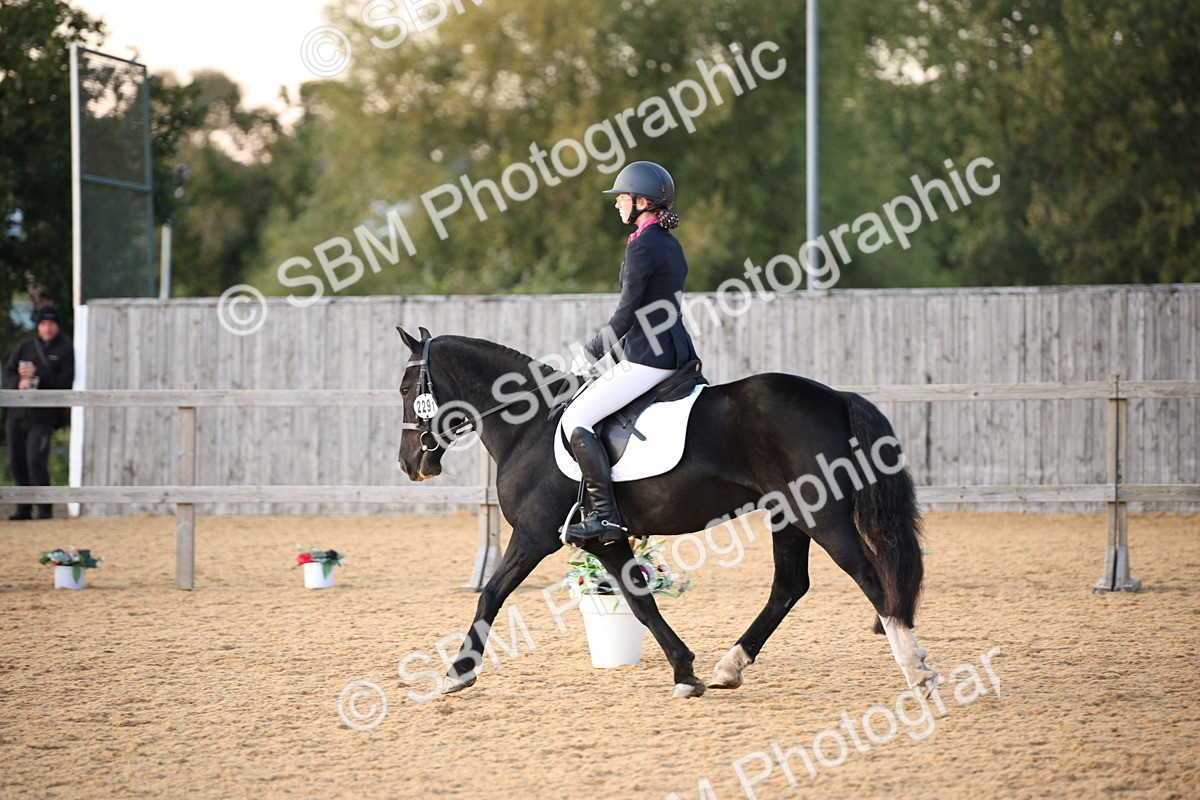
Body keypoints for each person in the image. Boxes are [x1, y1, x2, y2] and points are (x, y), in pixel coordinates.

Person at [561, 161, 698, 545]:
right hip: (675, 349)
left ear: (642, 201)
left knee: (578, 418)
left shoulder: (644, 247)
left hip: (648, 356)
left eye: (622, 197)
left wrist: (591, 350)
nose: (617, 203)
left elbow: (626, 312)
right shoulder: (668, 243)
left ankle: (604, 516)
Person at [4, 305, 75, 520]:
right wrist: (19, 382)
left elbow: (65, 382)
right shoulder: (25, 346)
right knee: (17, 460)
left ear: (58, 326)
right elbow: (8, 372)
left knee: (36, 459)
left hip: (43, 416)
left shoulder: (65, 349)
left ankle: (44, 509)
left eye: (51, 324)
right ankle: (23, 509)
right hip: (17, 413)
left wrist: (39, 373)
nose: (47, 328)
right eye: (43, 324)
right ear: (38, 326)